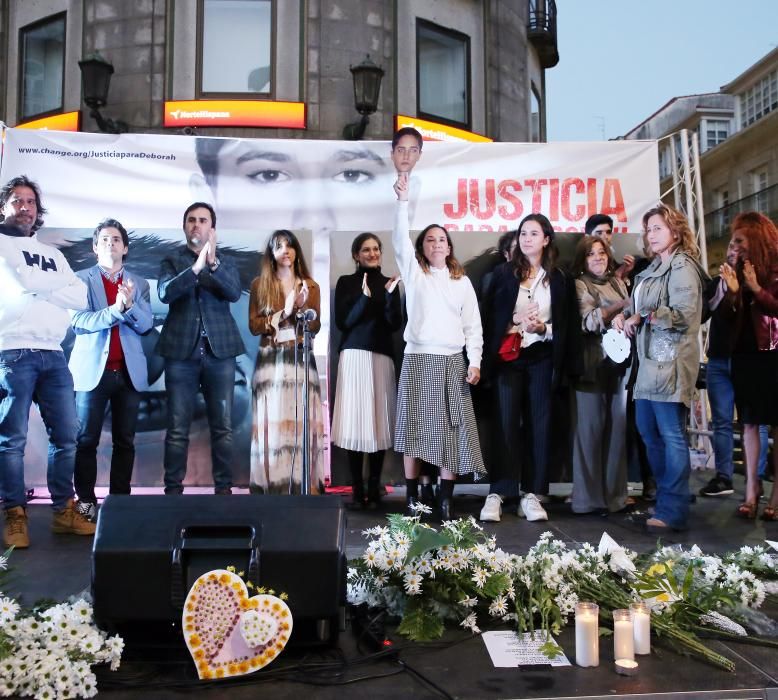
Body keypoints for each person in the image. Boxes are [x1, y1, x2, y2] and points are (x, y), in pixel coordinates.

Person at [0, 175, 94, 548]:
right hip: (12, 350)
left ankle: (63, 511)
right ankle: (14, 515)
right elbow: (14, 282)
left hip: (54, 354)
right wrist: (49, 288)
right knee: (11, 440)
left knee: (67, 438)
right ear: (4, 206)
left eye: (31, 202)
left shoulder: (53, 255)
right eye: (17, 201)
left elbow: (81, 297)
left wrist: (36, 283)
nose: (25, 207)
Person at [393, 173, 485, 520]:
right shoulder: (416, 274)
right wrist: (402, 202)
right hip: (418, 358)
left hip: (451, 361)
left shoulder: (462, 282)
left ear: (449, 247)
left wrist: (474, 362)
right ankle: (412, 498)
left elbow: (473, 326)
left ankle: (446, 500)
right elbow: (399, 239)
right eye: (429, 240)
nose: (435, 244)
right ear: (423, 248)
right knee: (411, 427)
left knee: (452, 432)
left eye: (441, 240)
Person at [479, 213, 580, 523]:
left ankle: (533, 493)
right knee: (505, 423)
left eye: (534, 233)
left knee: (540, 423)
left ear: (546, 239)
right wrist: (514, 322)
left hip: (542, 357)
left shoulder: (560, 278)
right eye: (523, 233)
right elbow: (488, 320)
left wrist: (541, 328)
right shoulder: (502, 274)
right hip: (509, 358)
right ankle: (499, 491)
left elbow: (568, 325)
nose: (527, 239)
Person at [613, 203, 706, 532]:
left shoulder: (682, 267)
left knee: (670, 437)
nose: (651, 234)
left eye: (658, 228)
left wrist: (647, 316)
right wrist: (625, 316)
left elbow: (685, 314)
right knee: (649, 434)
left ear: (676, 232)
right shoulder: (652, 268)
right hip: (646, 365)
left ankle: (673, 508)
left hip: (671, 364)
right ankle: (666, 499)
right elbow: (639, 307)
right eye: (648, 229)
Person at [157, 202, 245, 495]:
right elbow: (165, 293)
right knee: (177, 428)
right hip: (181, 355)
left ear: (212, 229)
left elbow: (233, 292)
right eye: (191, 220)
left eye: (203, 220)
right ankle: (172, 492)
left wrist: (213, 263)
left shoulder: (226, 262)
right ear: (185, 227)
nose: (197, 225)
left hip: (219, 353)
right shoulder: (171, 260)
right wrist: (195, 268)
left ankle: (224, 491)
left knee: (223, 427)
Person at [68, 219, 153, 521]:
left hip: (128, 374)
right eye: (104, 239)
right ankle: (86, 505)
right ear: (94, 247)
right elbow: (80, 322)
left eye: (116, 239)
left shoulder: (139, 283)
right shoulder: (78, 280)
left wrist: (129, 307)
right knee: (86, 440)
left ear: (125, 247)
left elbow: (145, 325)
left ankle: (120, 504)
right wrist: (115, 310)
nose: (110, 244)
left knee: (125, 441)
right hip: (93, 372)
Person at [248, 230, 325, 494]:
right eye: (279, 246)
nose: (286, 250)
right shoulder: (260, 285)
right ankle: (273, 485)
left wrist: (301, 309)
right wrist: (285, 312)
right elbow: (255, 325)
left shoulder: (310, 286)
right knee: (274, 424)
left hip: (301, 358)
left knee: (301, 422)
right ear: (271, 252)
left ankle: (304, 484)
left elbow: (314, 325)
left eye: (290, 245)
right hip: (271, 360)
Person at [331, 233, 402, 508]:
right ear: (356, 255)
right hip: (353, 356)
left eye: (375, 249)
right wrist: (363, 298)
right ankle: (356, 489)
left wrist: (388, 296)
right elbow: (343, 322)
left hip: (382, 356)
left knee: (377, 422)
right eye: (365, 250)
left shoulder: (390, 283)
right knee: (354, 421)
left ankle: (374, 486)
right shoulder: (346, 283)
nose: (372, 254)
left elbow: (395, 324)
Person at [718, 212, 778, 520]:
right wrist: (733, 293)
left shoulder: (775, 269)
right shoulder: (736, 271)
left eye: (740, 240)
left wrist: (756, 288)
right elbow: (729, 317)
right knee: (750, 423)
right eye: (734, 241)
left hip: (772, 351)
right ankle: (751, 491)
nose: (735, 246)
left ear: (756, 239)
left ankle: (776, 494)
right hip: (743, 353)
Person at [570, 236, 631, 514]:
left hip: (619, 368)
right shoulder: (579, 284)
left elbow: (632, 313)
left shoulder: (618, 282)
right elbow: (589, 321)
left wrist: (626, 317)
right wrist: (622, 307)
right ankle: (586, 501)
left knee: (617, 435)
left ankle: (615, 499)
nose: (597, 257)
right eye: (591, 254)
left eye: (602, 253)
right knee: (590, 435)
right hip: (590, 368)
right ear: (583, 259)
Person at [698, 239, 739, 497]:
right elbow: (703, 314)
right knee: (721, 421)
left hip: (748, 360)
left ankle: (756, 483)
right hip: (718, 359)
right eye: (731, 245)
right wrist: (722, 288)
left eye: (739, 246)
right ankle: (724, 476)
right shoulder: (717, 281)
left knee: (754, 422)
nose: (733, 250)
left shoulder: (758, 281)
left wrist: (736, 291)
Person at [585, 213, 636, 282]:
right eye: (599, 233)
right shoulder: (581, 261)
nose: (606, 237)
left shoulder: (611, 260)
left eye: (608, 232)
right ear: (587, 237)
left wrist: (624, 272)